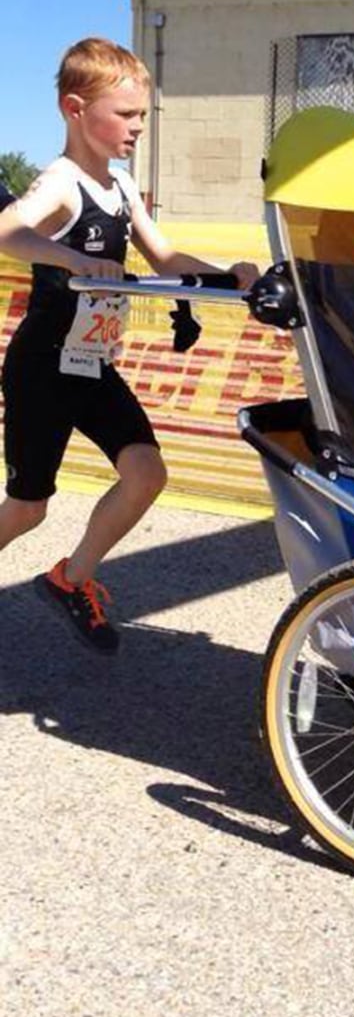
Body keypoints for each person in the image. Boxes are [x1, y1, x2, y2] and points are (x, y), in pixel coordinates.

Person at [0, 37, 259, 653]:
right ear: (74, 109)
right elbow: (8, 230)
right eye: (125, 114)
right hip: (42, 367)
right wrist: (70, 258)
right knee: (29, 506)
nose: (138, 127)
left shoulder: (118, 187)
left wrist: (233, 275)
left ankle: (71, 578)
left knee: (145, 473)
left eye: (143, 114)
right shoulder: (62, 182)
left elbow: (165, 258)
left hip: (89, 365)